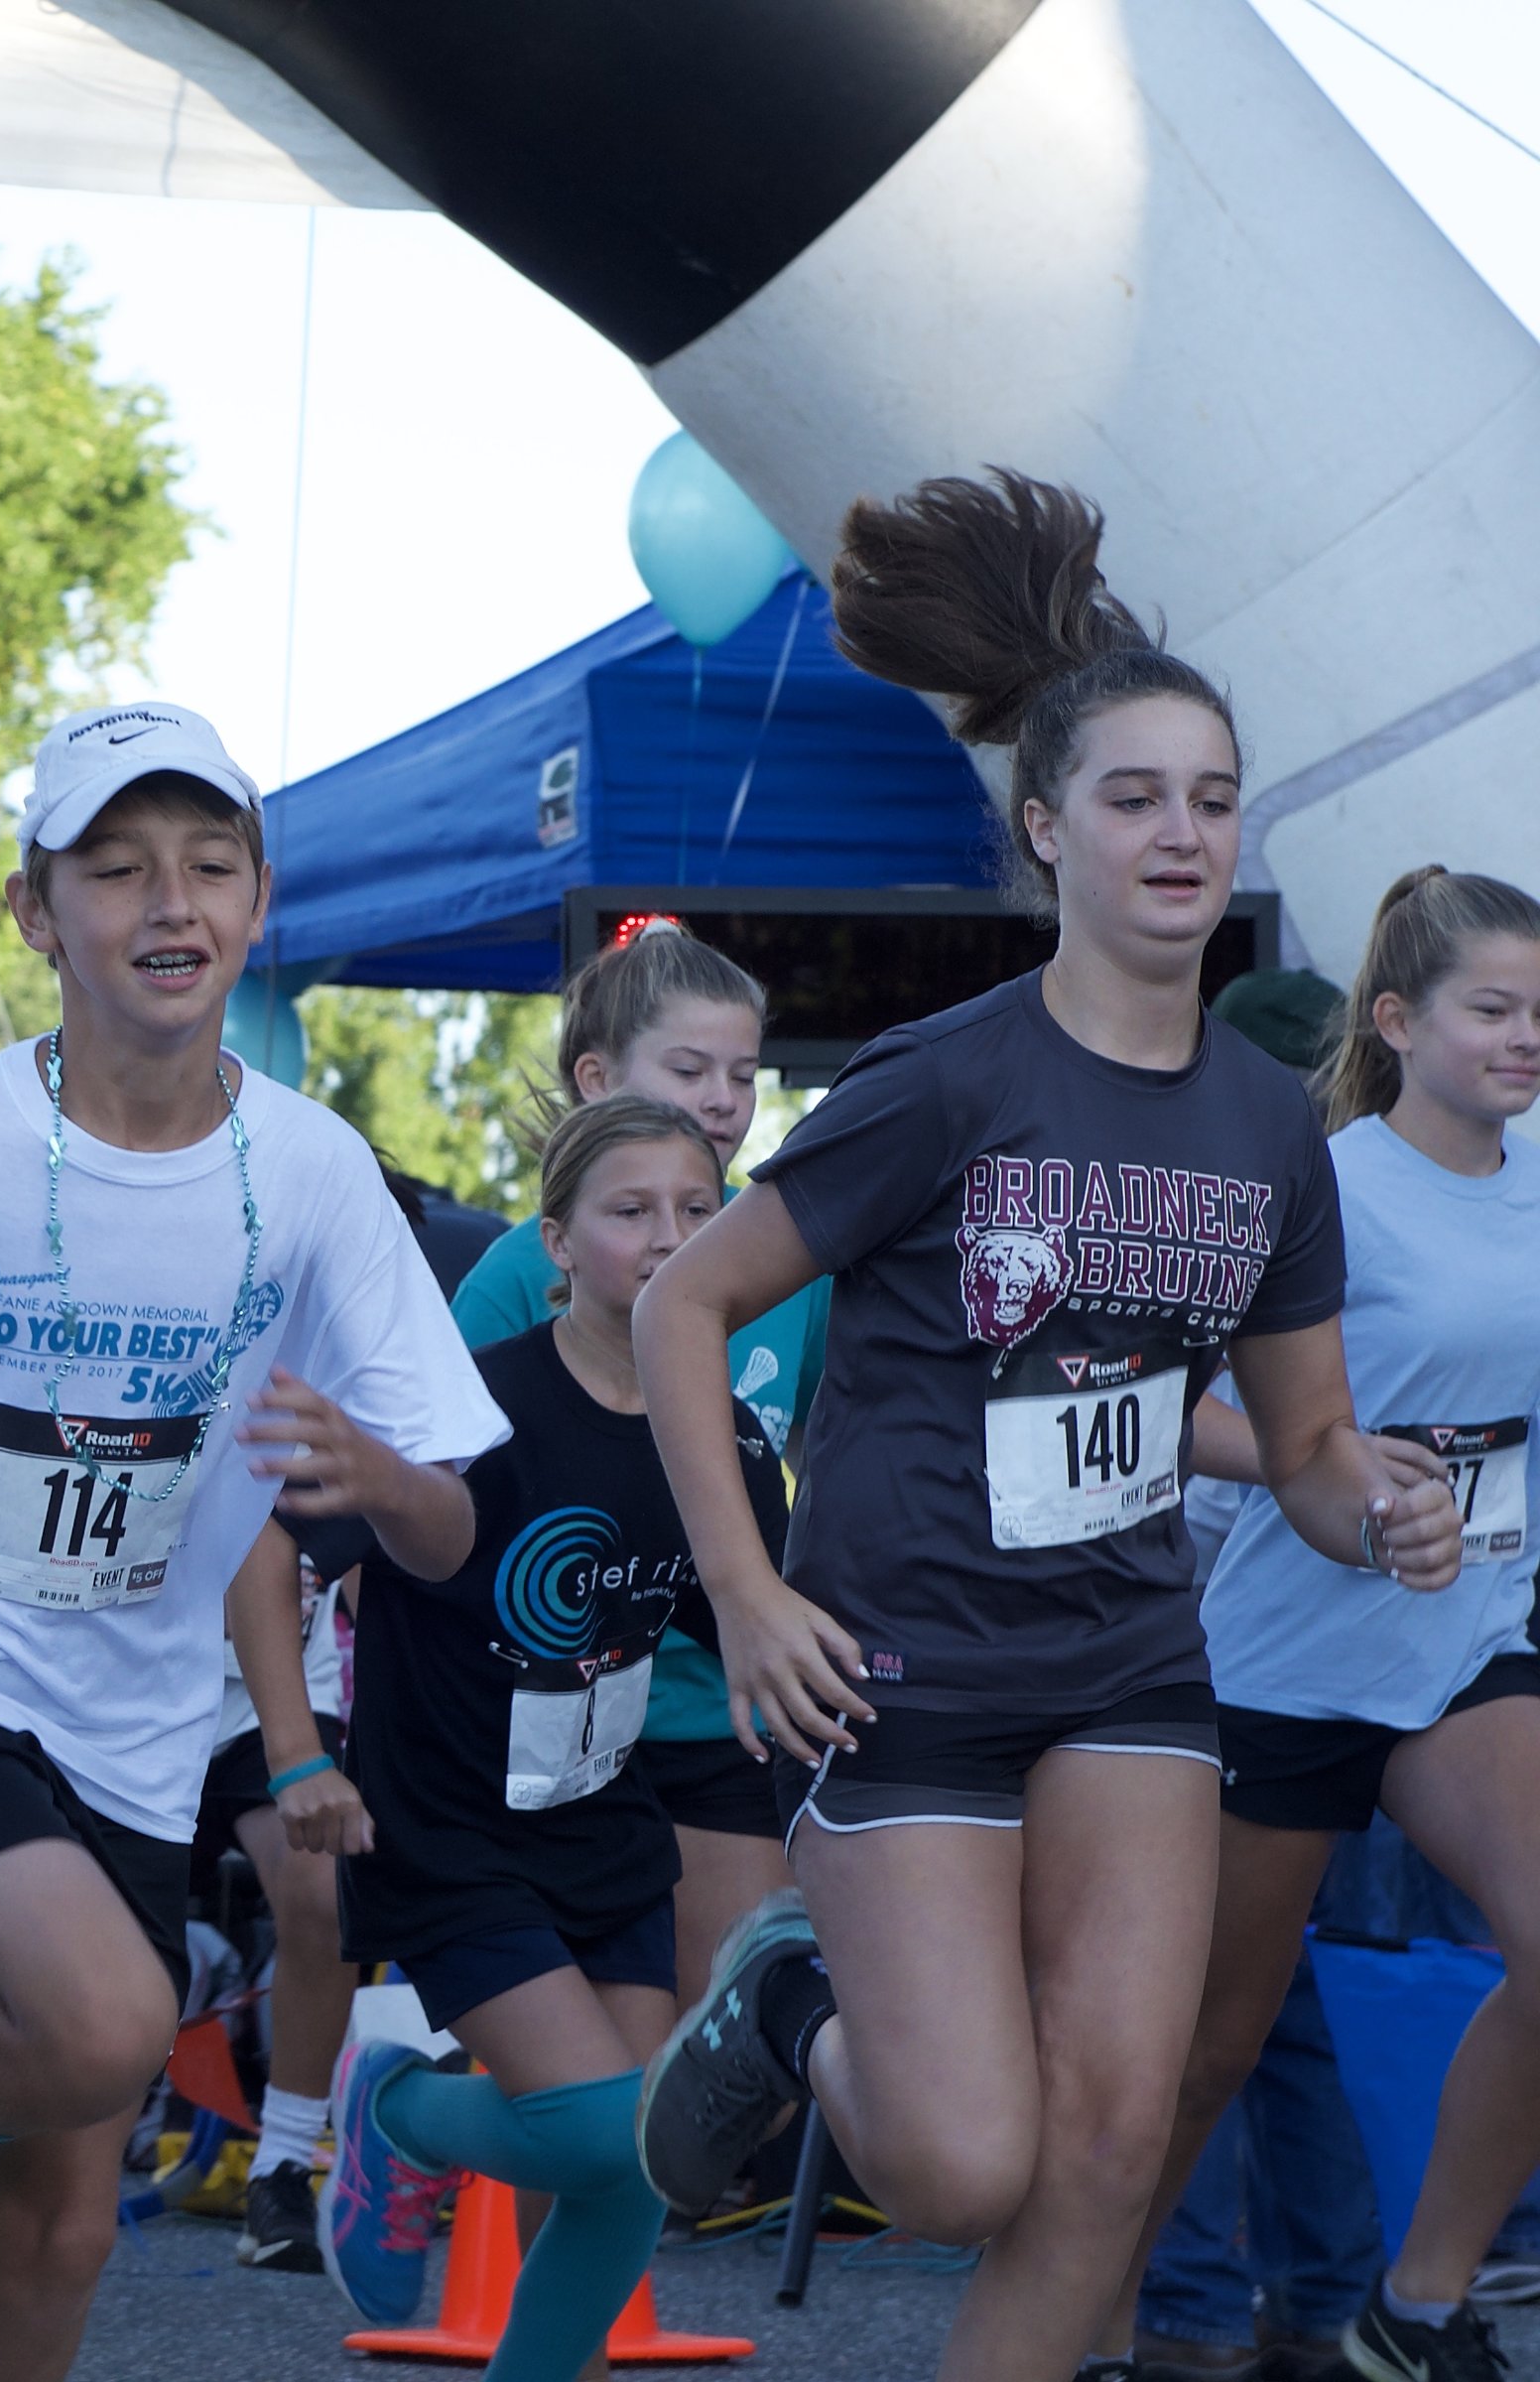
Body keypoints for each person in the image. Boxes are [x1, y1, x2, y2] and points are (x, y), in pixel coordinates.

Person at [626, 470, 1464, 2382]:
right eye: (1134, 796)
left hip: (1131, 1676)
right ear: (1045, 829)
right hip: (898, 1664)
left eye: (1213, 797)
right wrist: (746, 1593)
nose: (1183, 833)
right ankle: (791, 2020)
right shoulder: (946, 1080)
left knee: (1108, 2151)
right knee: (956, 2168)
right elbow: (686, 1303)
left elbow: (1307, 1446)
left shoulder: (1272, 1131)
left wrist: (1381, 1510)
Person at [0, 700, 509, 2382]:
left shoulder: (313, 1174)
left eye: (210, 865)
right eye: (118, 867)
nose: (170, 905)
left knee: (65, 2233)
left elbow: (445, 1529)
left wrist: (373, 1466)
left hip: (141, 1728)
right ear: (32, 909)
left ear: (258, 901)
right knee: (100, 2018)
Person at [1098, 867, 1540, 2382]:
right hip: (1291, 1658)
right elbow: (1176, 1410)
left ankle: (1414, 2310)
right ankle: (1080, 2321)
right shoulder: (1321, 1183)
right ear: (1401, 1022)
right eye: (1496, 1008)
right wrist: (1343, 1472)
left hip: (1471, 1639)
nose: (1528, 1035)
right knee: (1208, 2047)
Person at [321, 1096, 779, 2379]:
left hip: (601, 1817)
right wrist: (302, 1757)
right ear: (557, 1244)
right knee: (592, 2131)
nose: (669, 1239)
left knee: (641, 2165)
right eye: (630, 1212)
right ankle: (400, 2110)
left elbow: (752, 1614)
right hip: (449, 1826)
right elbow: (309, 1554)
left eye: (698, 1212)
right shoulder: (472, 1407)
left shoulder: (726, 1437)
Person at [452, 922, 821, 2008]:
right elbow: (440, 1508)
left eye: (745, 1074)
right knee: (592, 2081)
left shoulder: (793, 1257)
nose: (723, 1100)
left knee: (723, 2050)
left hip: (721, 1711)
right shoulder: (517, 1273)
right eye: (690, 1069)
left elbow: (818, 1452)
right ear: (598, 1078)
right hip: (548, 1709)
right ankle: (412, 2121)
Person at [198, 1514, 362, 2270]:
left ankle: (285, 2166)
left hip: (285, 1694)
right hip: (118, 1684)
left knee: (328, 1886)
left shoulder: (334, 1392)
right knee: (62, 1919)